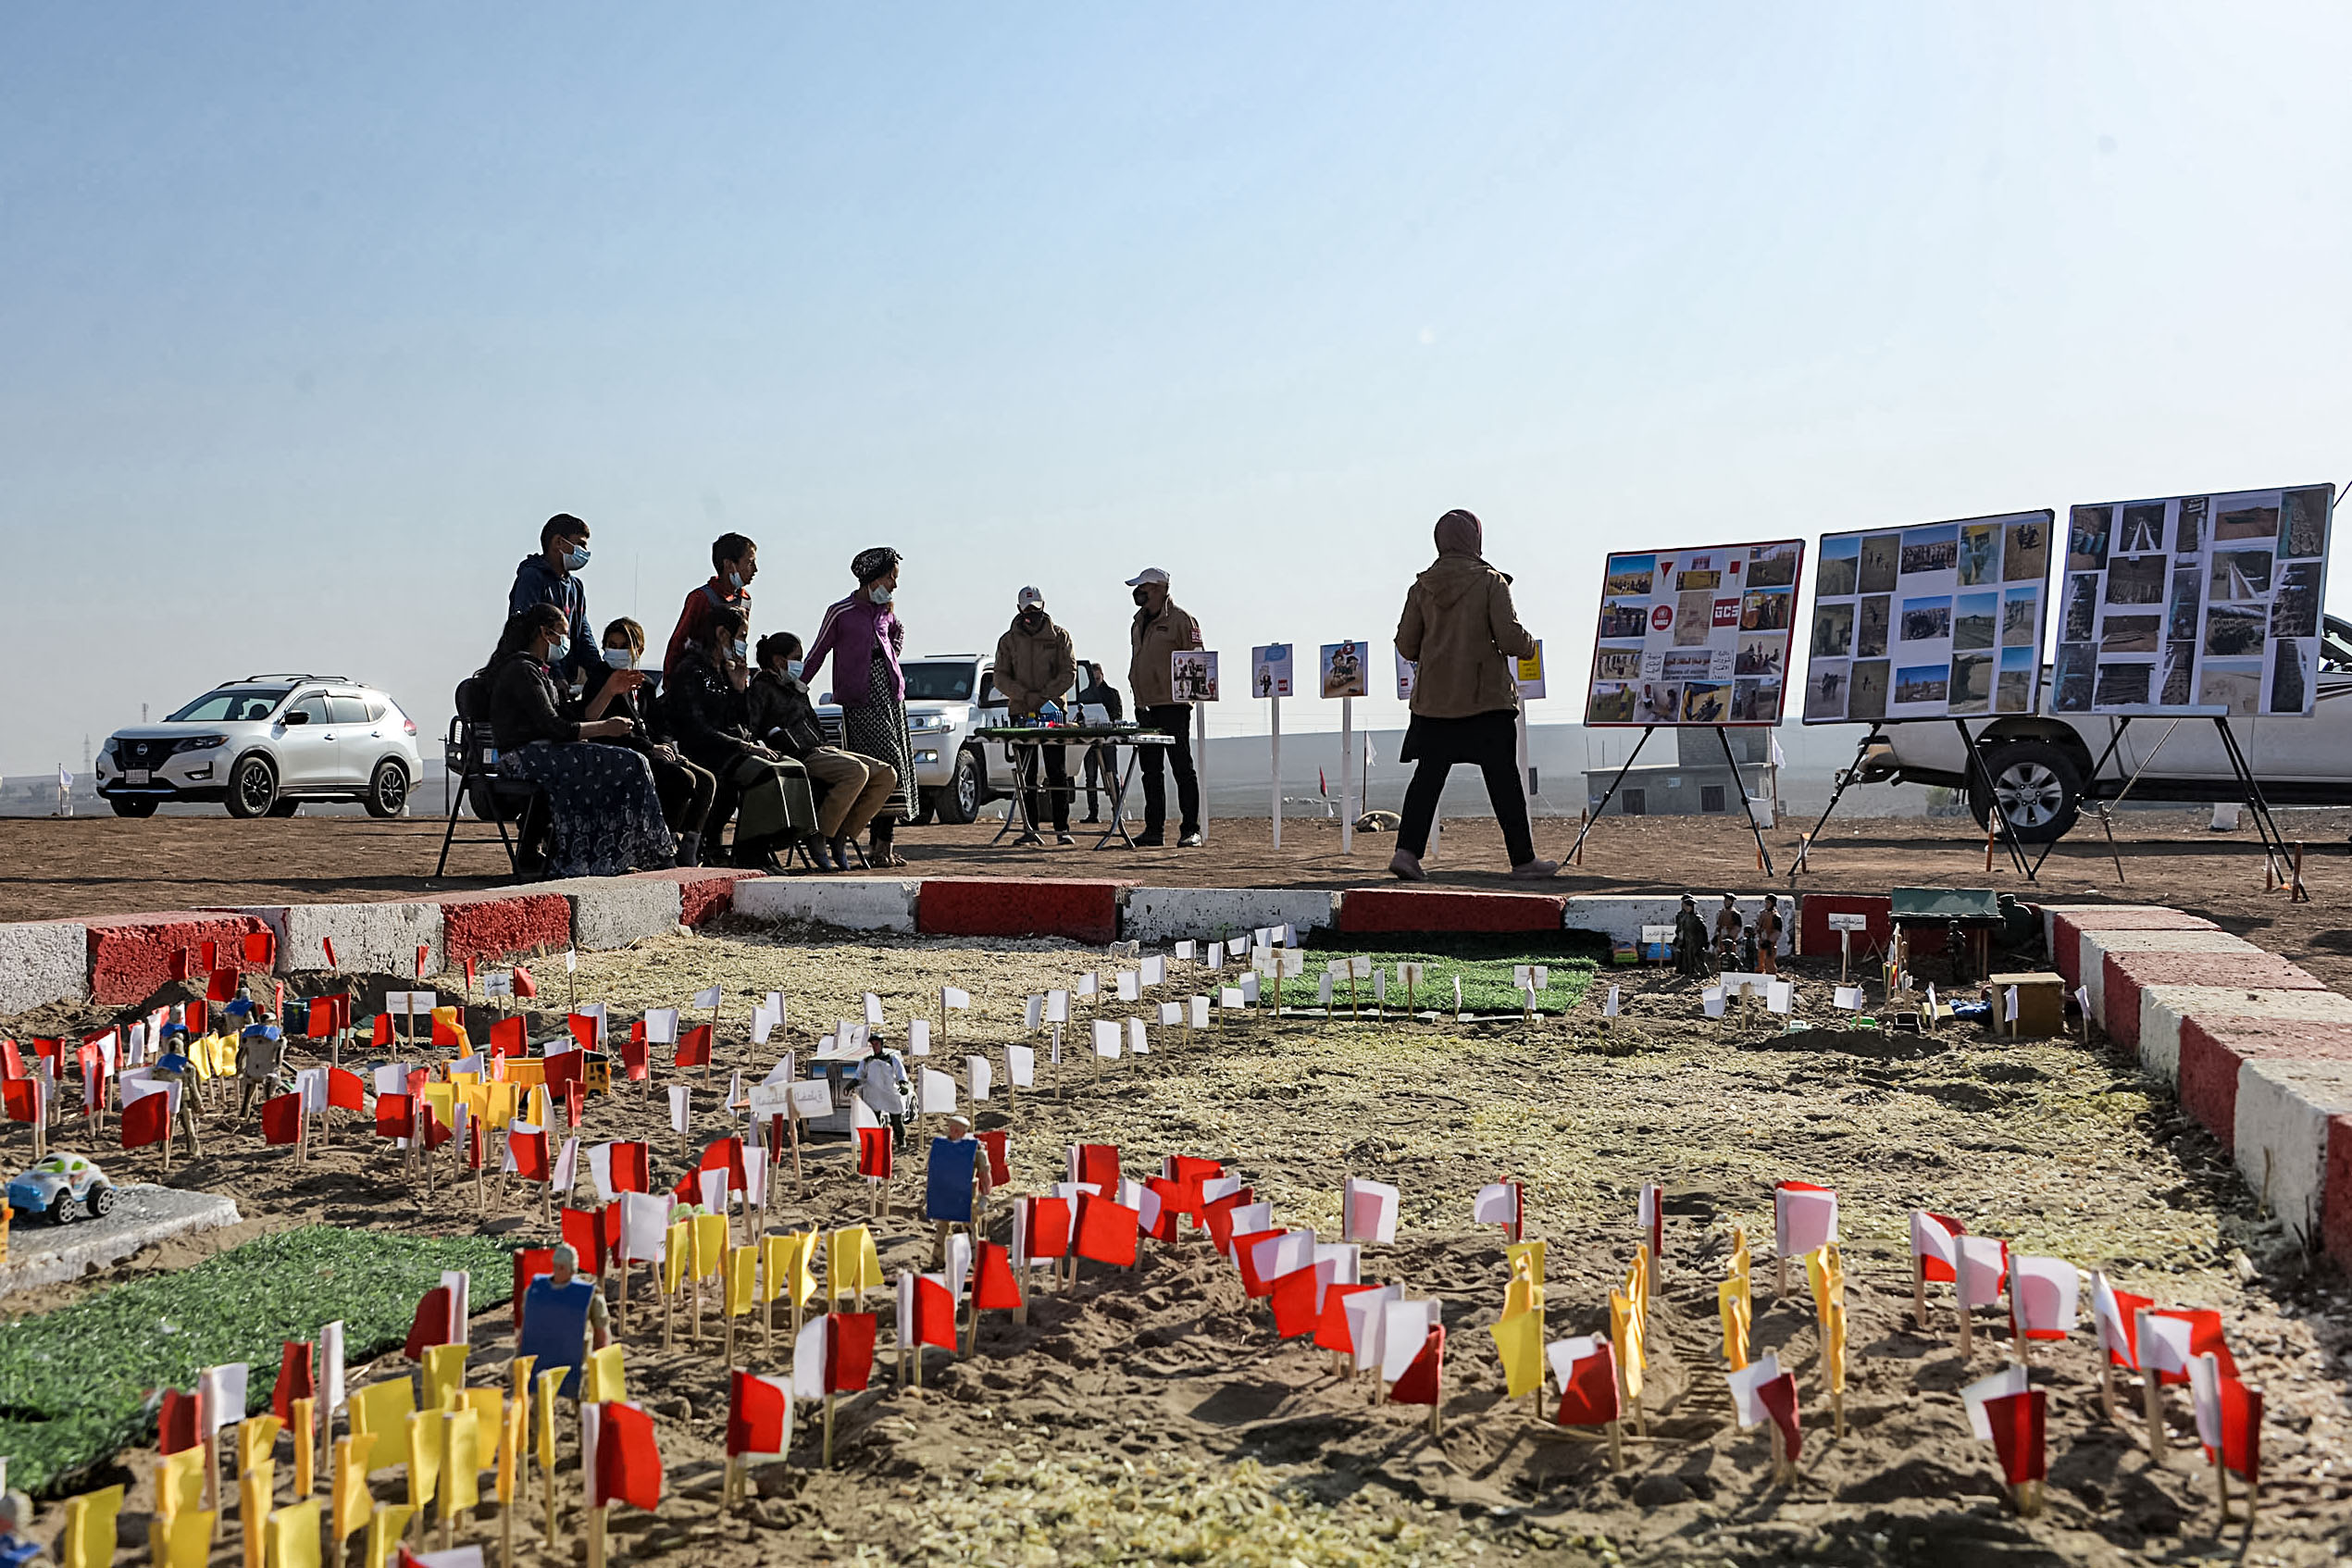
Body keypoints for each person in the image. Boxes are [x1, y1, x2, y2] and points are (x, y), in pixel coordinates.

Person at [1388, 510, 1558, 881]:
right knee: (1504, 781)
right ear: (1475, 540)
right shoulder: (1490, 583)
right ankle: (1523, 860)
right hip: (1486, 702)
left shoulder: (1421, 588)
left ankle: (1406, 853)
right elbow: (1511, 638)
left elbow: (1405, 644)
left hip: (1434, 703)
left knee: (1427, 779)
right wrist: (1529, 646)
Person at [481, 604, 676, 877]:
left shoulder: (538, 672)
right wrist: (605, 727)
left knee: (621, 762)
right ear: (544, 633)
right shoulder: (522, 671)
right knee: (629, 762)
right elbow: (556, 727)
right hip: (523, 757)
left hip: (544, 753)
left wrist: (609, 692)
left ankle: (610, 853)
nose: (565, 641)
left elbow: (573, 716)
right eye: (561, 633)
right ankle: (630, 852)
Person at [664, 605, 815, 873]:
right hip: (708, 752)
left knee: (793, 769)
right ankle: (750, 852)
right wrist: (744, 746)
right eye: (741, 636)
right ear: (723, 634)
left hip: (734, 748)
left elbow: (742, 723)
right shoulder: (692, 670)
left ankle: (770, 842)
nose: (743, 643)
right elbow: (697, 728)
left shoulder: (724, 671)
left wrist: (738, 689)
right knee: (766, 774)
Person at [803, 547, 917, 867]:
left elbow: (897, 631)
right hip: (862, 703)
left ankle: (884, 844)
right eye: (891, 577)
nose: (894, 584)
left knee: (895, 769)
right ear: (873, 578)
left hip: (891, 699)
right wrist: (799, 684)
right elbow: (818, 650)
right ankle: (870, 843)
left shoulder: (886, 612)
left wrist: (890, 656)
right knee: (882, 765)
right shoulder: (841, 612)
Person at [746, 631, 898, 871]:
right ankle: (820, 835)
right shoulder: (762, 688)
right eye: (796, 658)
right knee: (856, 772)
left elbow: (812, 723)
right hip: (798, 755)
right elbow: (753, 726)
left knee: (887, 774)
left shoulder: (795, 688)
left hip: (819, 748)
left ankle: (843, 833)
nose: (800, 663)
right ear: (778, 661)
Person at [584, 617, 718, 866]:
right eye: (612, 644)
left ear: (638, 650)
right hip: (620, 754)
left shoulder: (644, 684)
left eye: (624, 646)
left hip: (649, 751)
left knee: (706, 780)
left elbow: (658, 724)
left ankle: (689, 846)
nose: (617, 651)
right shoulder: (599, 679)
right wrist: (650, 749)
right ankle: (659, 843)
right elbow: (595, 722)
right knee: (681, 780)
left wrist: (666, 746)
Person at [1125, 567, 1204, 847]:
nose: (1138, 593)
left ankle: (1190, 829)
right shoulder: (1137, 622)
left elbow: (1197, 661)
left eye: (1142, 587)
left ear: (1158, 588)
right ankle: (1153, 830)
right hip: (1145, 706)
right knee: (1151, 772)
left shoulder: (1182, 620)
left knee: (1182, 768)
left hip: (1174, 705)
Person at [994, 586, 1077, 845]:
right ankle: (1030, 829)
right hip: (1021, 714)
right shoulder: (1008, 641)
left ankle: (1062, 829)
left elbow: (1069, 672)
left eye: (1035, 607)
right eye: (1027, 608)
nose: (1031, 613)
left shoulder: (1060, 637)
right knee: (1026, 775)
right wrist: (1023, 696)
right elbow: (1000, 676)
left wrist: (1044, 696)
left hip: (1052, 713)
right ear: (1019, 608)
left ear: (1043, 606)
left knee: (1057, 772)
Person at [507, 514, 601, 690]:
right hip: (536, 681)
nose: (584, 552)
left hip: (567, 683)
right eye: (580, 544)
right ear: (558, 542)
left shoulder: (575, 588)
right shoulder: (532, 578)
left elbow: (583, 637)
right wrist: (555, 674)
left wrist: (603, 674)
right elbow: (530, 633)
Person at [662, 532, 758, 681]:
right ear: (729, 564)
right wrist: (670, 682)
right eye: (750, 563)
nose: (755, 569)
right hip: (699, 677)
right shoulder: (701, 598)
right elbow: (679, 642)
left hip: (729, 678)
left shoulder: (745, 600)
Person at [518, 1243, 608, 1400]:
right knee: (537, 1405)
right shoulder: (535, 1291)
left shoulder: (590, 1296)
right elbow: (527, 1327)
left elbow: (601, 1335)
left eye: (563, 1267)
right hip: (542, 1357)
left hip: (577, 1359)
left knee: (585, 1402)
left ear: (573, 1269)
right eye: (556, 1266)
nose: (558, 1271)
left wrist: (601, 1363)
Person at [1074, 661, 1124, 823]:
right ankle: (1093, 813)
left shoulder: (1111, 694)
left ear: (1102, 675)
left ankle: (1117, 810)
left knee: (1111, 775)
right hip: (1090, 739)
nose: (1095, 681)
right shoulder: (1085, 695)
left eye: (1097, 677)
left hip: (1107, 739)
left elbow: (1117, 715)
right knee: (1091, 777)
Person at [1672, 894, 1711, 978]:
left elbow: (1703, 932)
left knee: (1698, 959)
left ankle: (1705, 975)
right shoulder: (1684, 917)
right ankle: (1690, 973)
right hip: (1688, 941)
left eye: (1687, 906)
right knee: (1688, 958)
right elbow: (1681, 930)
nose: (1686, 908)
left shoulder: (1697, 918)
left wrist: (1705, 943)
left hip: (1697, 942)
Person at [1756, 894, 1784, 977]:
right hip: (1761, 941)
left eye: (1768, 903)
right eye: (1766, 902)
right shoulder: (1762, 914)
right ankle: (1759, 974)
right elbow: (1758, 925)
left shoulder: (1776, 917)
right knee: (1760, 959)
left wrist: (1769, 941)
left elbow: (1778, 931)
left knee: (1769, 960)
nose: (1766, 905)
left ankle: (1771, 974)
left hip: (1770, 944)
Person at [1713, 894, 1745, 967]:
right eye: (1725, 900)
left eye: (1727, 901)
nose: (1725, 902)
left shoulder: (1735, 914)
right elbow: (1718, 925)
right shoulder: (1721, 912)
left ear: (1731, 902)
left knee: (1730, 954)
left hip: (1730, 938)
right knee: (1719, 953)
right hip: (1720, 937)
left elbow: (1737, 927)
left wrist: (1730, 936)